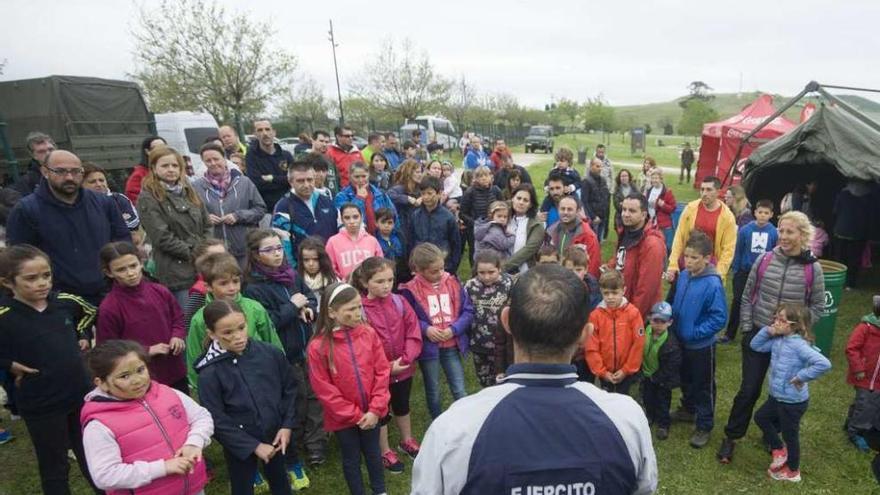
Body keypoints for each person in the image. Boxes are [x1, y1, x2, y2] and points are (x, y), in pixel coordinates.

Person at [411, 264, 657, 494]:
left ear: (506, 321)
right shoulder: (627, 419)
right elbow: (644, 487)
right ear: (586, 334)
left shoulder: (455, 427)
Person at [717, 211, 825, 464]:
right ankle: (732, 436)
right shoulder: (765, 259)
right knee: (749, 389)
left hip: (790, 343)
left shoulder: (813, 269)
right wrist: (747, 328)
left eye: (790, 232)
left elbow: (818, 307)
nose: (784, 236)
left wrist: (793, 329)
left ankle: (772, 433)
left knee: (783, 391)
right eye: (782, 230)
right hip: (759, 332)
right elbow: (746, 296)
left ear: (803, 234)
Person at [0, 245, 102, 494]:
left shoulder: (64, 302)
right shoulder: (5, 315)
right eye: (31, 278)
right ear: (7, 282)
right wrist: (6, 363)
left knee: (94, 457)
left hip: (81, 395)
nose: (42, 283)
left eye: (46, 275)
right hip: (41, 403)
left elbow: (91, 311)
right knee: (54, 466)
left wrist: (82, 333)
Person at [81, 340, 212, 495]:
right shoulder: (99, 424)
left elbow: (202, 417)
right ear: (101, 383)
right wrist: (163, 468)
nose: (137, 380)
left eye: (140, 370)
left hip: (193, 488)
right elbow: (105, 475)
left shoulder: (167, 393)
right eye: (124, 376)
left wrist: (194, 443)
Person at [242, 230, 324, 476]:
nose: (277, 254)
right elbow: (267, 322)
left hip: (306, 347)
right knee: (296, 402)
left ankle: (317, 445)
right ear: (256, 254)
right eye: (269, 250)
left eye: (279, 248)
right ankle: (294, 445)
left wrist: (308, 308)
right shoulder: (253, 288)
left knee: (315, 397)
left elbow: (307, 297)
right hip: (283, 356)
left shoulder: (291, 276)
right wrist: (292, 307)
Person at [195, 300, 296, 495]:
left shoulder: (270, 353)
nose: (238, 336)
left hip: (275, 434)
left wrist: (286, 425)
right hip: (239, 442)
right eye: (227, 333)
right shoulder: (209, 373)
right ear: (212, 334)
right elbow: (215, 417)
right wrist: (253, 446)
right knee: (242, 485)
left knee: (281, 482)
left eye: (241, 328)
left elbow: (289, 390)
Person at [7, 149, 131, 305]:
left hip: (109, 294)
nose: (69, 177)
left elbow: (123, 240)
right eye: (60, 171)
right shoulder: (26, 210)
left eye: (75, 171)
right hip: (60, 303)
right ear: (45, 171)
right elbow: (20, 259)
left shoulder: (104, 203)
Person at [307, 283, 390, 495]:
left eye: (358, 307)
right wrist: (355, 415)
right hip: (343, 419)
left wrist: (375, 409)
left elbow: (382, 371)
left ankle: (380, 491)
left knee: (373, 453)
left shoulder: (369, 334)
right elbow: (324, 390)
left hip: (372, 413)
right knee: (351, 458)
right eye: (350, 309)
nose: (357, 313)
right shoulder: (318, 347)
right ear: (332, 312)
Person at [352, 258, 423, 475]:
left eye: (390, 280)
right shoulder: (360, 310)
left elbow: (413, 331)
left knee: (402, 405)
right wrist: (385, 367)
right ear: (365, 283)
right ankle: (385, 450)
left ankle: (407, 440)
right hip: (377, 375)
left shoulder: (400, 302)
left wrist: (406, 359)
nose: (386, 285)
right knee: (380, 411)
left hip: (403, 368)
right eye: (379, 281)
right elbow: (361, 346)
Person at [751, 302, 831, 482]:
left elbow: (824, 364)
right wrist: (767, 331)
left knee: (790, 435)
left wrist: (802, 376)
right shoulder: (778, 340)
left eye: (781, 320)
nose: (775, 322)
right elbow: (755, 345)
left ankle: (793, 471)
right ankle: (779, 450)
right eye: (776, 318)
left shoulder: (799, 346)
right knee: (761, 417)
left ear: (795, 325)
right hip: (777, 396)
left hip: (792, 402)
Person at [97, 241, 187, 392]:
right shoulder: (109, 307)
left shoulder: (160, 291)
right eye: (121, 269)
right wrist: (146, 350)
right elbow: (108, 349)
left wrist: (177, 335)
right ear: (109, 272)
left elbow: (178, 318)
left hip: (174, 370)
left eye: (133, 266)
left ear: (141, 263)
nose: (130, 273)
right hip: (140, 380)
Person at [185, 253, 282, 392]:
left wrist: (279, 374)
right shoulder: (199, 319)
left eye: (236, 281)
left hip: (260, 376)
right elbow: (195, 360)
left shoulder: (255, 308)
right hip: (225, 385)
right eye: (223, 283)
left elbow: (273, 343)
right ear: (208, 287)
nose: (232, 288)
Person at [400, 243, 474, 420]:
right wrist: (426, 329)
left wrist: (454, 329)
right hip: (429, 350)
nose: (440, 274)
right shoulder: (409, 291)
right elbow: (407, 318)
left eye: (442, 268)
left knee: (459, 387)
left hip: (451, 345)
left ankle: (465, 420)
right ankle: (437, 421)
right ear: (419, 270)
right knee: (433, 390)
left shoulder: (453, 283)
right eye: (434, 271)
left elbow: (468, 310)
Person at [669, 231, 728, 449]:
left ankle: (704, 424)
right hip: (680, 342)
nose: (689, 261)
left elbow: (719, 317)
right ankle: (687, 408)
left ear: (707, 258)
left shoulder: (713, 284)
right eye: (687, 256)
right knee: (685, 378)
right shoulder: (683, 275)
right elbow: (675, 301)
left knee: (703, 384)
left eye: (694, 258)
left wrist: (695, 332)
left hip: (701, 347)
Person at [136, 146, 212, 306]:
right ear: (154, 168)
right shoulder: (148, 197)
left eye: (174, 165)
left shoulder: (190, 191)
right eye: (165, 166)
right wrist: (193, 253)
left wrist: (205, 250)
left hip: (202, 264)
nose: (171, 169)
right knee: (187, 319)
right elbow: (161, 236)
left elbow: (207, 224)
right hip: (175, 270)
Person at [193, 143, 267, 265]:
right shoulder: (196, 186)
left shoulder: (244, 182)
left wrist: (238, 216)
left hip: (243, 249)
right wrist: (204, 218)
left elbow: (260, 209)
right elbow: (192, 216)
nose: (213, 163)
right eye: (208, 160)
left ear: (224, 158)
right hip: (214, 253)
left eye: (216, 159)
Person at [720, 199, 777, 344]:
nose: (763, 215)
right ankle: (730, 333)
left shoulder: (774, 232)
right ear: (755, 213)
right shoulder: (745, 230)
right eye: (760, 212)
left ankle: (756, 331)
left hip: (763, 274)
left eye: (766, 213)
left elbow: (775, 253)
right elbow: (738, 250)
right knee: (738, 300)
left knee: (760, 302)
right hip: (744, 272)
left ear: (771, 215)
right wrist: (736, 269)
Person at [665, 176, 737, 280]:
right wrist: (673, 265)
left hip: (710, 267)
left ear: (718, 192)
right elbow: (679, 238)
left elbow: (728, 249)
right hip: (686, 264)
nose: (704, 193)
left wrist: (719, 274)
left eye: (709, 190)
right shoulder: (690, 209)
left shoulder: (727, 217)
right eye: (702, 189)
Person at [272, 155, 338, 267]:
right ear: (290, 182)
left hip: (329, 266)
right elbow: (281, 243)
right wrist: (293, 270)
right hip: (303, 268)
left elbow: (338, 233)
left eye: (310, 180)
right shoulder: (283, 207)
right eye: (300, 181)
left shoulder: (326, 201)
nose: (306, 185)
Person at [586, 270, 645, 395]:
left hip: (626, 372)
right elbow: (591, 347)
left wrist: (626, 370)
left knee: (623, 399)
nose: (610, 297)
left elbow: (638, 344)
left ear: (623, 290)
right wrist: (602, 372)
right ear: (601, 291)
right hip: (605, 374)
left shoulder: (633, 313)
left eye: (614, 292)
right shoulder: (595, 316)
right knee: (606, 400)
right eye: (606, 293)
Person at [609, 193, 667, 318]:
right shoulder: (625, 232)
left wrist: (631, 316)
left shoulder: (652, 244)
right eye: (624, 209)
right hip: (620, 303)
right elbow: (620, 259)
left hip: (636, 313)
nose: (625, 214)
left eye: (632, 211)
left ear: (643, 215)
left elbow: (646, 289)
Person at [464, 251, 513, 387]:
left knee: (505, 381)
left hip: (503, 344)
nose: (486, 277)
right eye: (482, 273)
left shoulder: (508, 283)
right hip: (480, 343)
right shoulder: (470, 286)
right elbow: (464, 310)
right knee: (485, 381)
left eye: (491, 272)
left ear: (499, 269)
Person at [640, 301, 682, 441]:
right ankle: (650, 416)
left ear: (669, 322)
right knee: (647, 397)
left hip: (662, 379)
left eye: (662, 322)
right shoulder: (646, 330)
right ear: (649, 318)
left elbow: (672, 366)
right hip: (647, 374)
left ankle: (663, 424)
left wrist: (657, 377)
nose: (658, 325)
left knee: (663, 402)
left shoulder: (671, 344)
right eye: (655, 320)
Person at [845, 295, 880, 452]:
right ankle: (857, 432)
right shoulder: (866, 327)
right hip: (865, 376)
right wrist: (858, 368)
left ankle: (850, 422)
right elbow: (852, 348)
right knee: (867, 405)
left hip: (877, 379)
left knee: (866, 402)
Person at [406, 177, 462, 275]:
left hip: (443, 266)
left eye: (429, 193)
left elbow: (455, 244)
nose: (426, 197)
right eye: (423, 194)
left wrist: (452, 267)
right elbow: (410, 240)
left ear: (439, 193)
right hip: (421, 265)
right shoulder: (415, 215)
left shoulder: (448, 217)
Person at [544, 195, 602, 278]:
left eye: (570, 209)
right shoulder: (551, 231)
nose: (565, 212)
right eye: (562, 209)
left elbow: (593, 265)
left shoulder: (587, 235)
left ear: (577, 211)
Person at [334, 163, 397, 236]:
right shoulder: (342, 196)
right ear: (350, 177)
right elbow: (346, 220)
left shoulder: (380, 194)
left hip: (380, 238)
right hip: (357, 239)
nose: (360, 180)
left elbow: (393, 216)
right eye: (356, 177)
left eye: (364, 176)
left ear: (368, 175)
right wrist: (359, 198)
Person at [325, 203, 383, 280]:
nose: (352, 221)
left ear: (361, 218)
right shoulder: (332, 242)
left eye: (355, 217)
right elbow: (329, 268)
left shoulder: (372, 240)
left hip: (370, 286)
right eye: (347, 218)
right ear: (342, 220)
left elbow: (380, 264)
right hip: (346, 288)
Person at [245, 119, 292, 212]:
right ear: (255, 134)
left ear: (274, 132)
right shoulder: (251, 157)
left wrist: (272, 178)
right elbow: (256, 183)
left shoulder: (286, 155)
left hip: (289, 206)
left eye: (267, 129)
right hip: (266, 211)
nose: (265, 133)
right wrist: (283, 180)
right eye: (260, 130)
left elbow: (293, 180)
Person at [833, 180, 872, 289]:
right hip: (859, 233)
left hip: (841, 230)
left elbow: (836, 211)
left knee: (841, 258)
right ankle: (850, 284)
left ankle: (839, 281)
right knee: (854, 259)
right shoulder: (868, 196)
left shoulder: (842, 194)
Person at [461, 166, 503, 268]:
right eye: (480, 176)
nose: (484, 178)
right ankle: (475, 272)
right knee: (476, 252)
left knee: (494, 251)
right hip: (476, 229)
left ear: (491, 177)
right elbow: (462, 213)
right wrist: (475, 224)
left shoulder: (496, 190)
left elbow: (503, 207)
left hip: (494, 226)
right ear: (475, 178)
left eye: (486, 175)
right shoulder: (470, 192)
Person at [182, 239, 228, 331]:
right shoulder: (200, 291)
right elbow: (188, 323)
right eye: (214, 258)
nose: (221, 261)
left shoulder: (234, 281)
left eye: (224, 256)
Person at [82, 163, 140, 231]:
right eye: (92, 182)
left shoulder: (119, 199)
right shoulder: (78, 204)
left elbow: (133, 222)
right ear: (81, 185)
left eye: (101, 180)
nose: (99, 184)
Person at [504, 184, 545, 275]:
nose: (521, 202)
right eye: (518, 198)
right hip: (497, 272)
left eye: (525, 200)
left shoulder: (536, 225)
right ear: (512, 198)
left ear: (530, 205)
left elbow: (527, 251)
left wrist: (502, 268)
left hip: (525, 273)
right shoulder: (503, 216)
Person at [387, 159, 424, 256]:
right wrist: (407, 199)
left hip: (417, 227)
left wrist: (423, 198)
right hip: (403, 228)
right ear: (409, 173)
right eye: (417, 172)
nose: (420, 174)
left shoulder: (420, 188)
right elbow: (389, 195)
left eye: (421, 172)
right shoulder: (400, 188)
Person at [124, 135, 166, 204]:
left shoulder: (173, 170)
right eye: (158, 148)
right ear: (147, 151)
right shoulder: (139, 174)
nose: (162, 151)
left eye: (164, 147)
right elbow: (133, 196)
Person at [14, 131, 56, 197]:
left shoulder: (72, 170)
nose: (48, 153)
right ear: (33, 155)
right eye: (41, 151)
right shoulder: (28, 182)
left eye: (50, 149)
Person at [645, 169, 676, 251]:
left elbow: (673, 208)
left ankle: (665, 262)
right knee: (653, 245)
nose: (654, 180)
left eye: (656, 178)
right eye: (653, 178)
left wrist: (663, 205)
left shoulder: (667, 192)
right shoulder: (649, 190)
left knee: (665, 246)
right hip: (651, 223)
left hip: (663, 225)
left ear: (661, 179)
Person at [582, 158, 611, 242]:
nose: (600, 169)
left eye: (601, 166)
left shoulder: (603, 180)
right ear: (591, 166)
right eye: (597, 166)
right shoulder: (586, 181)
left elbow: (605, 198)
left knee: (599, 242)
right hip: (593, 219)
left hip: (603, 216)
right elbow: (584, 201)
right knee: (592, 242)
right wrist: (593, 217)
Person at [310, 130, 340, 196]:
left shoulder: (330, 161)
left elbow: (337, 181)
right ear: (313, 141)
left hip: (331, 198)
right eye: (321, 141)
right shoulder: (304, 160)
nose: (324, 144)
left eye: (326, 142)